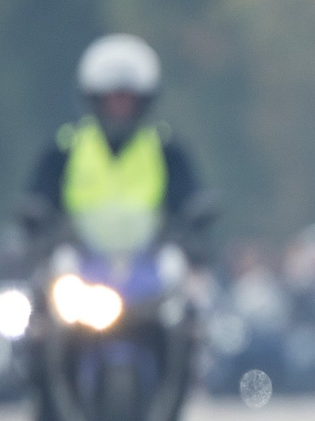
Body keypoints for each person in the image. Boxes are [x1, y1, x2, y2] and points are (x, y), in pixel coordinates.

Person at [22, 34, 209, 255]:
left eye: (127, 100)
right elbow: (39, 198)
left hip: (150, 264)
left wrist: (193, 221)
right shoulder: (66, 149)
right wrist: (37, 219)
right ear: (95, 100)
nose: (119, 109)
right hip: (80, 263)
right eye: (112, 100)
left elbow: (188, 199)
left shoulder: (166, 150)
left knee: (195, 288)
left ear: (143, 101)